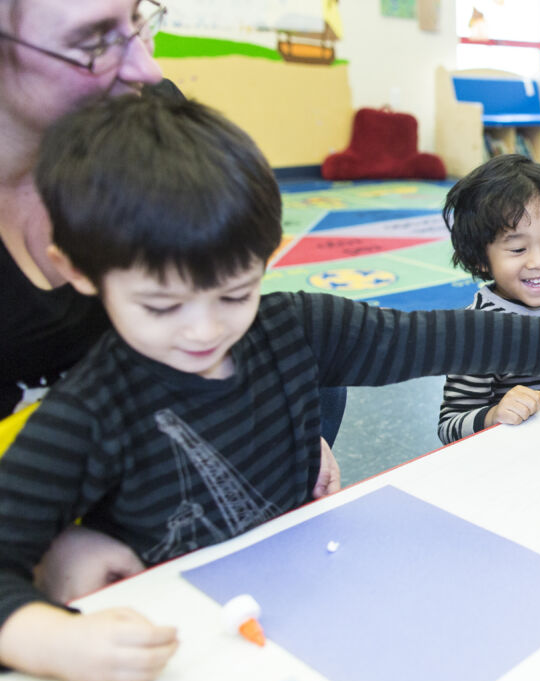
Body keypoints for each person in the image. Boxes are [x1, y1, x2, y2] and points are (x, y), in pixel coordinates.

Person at [0, 93, 540, 681]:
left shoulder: (291, 326)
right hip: (185, 648)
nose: (205, 329)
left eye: (234, 292)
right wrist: (51, 640)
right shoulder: (89, 409)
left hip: (303, 602)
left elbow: (427, 337)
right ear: (78, 270)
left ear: (265, 254)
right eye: (161, 305)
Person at [0, 0, 348, 604]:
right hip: (46, 474)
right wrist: (56, 543)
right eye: (93, 41)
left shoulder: (145, 115)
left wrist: (268, 421)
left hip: (163, 428)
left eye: (138, 19)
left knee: (315, 363)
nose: (146, 66)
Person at [438, 155, 540, 443]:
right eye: (517, 249)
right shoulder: (478, 328)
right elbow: (450, 426)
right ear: (481, 259)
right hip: (524, 456)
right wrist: (494, 415)